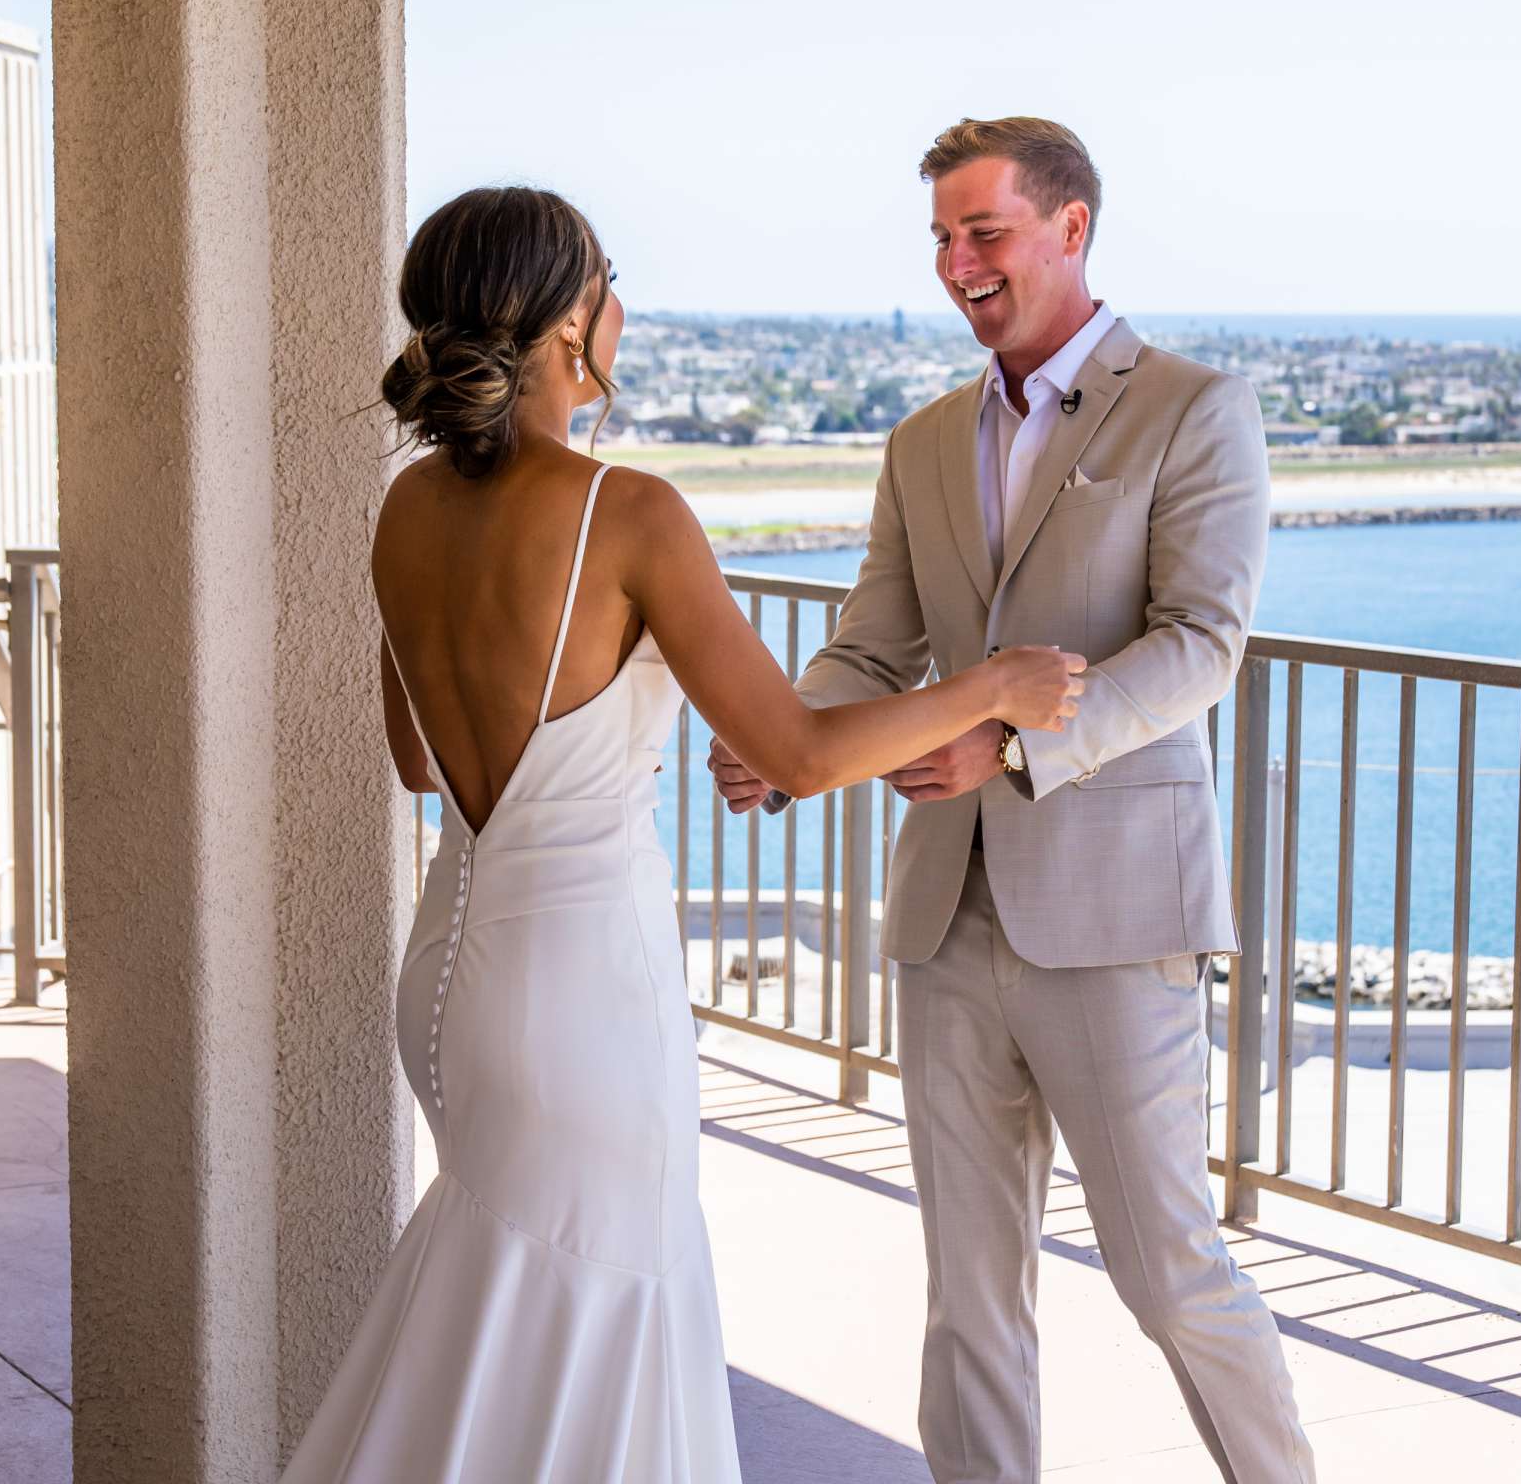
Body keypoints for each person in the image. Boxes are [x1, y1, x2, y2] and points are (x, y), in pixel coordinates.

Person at [279, 185, 1084, 1483]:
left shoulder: (407, 509)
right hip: (583, 998)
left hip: (447, 977)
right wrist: (998, 689)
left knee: (505, 1326)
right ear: (565, 326)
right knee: (596, 1334)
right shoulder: (626, 512)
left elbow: (418, 759)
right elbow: (800, 754)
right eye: (610, 279)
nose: (624, 305)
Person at [710, 117, 1317, 1484]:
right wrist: (781, 735)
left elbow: (1199, 646)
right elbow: (874, 643)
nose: (958, 262)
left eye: (984, 231)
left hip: (1111, 918)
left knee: (1169, 1269)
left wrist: (1017, 745)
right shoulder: (924, 442)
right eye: (940, 237)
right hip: (944, 917)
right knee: (969, 1294)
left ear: (1072, 227)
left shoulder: (1193, 408)